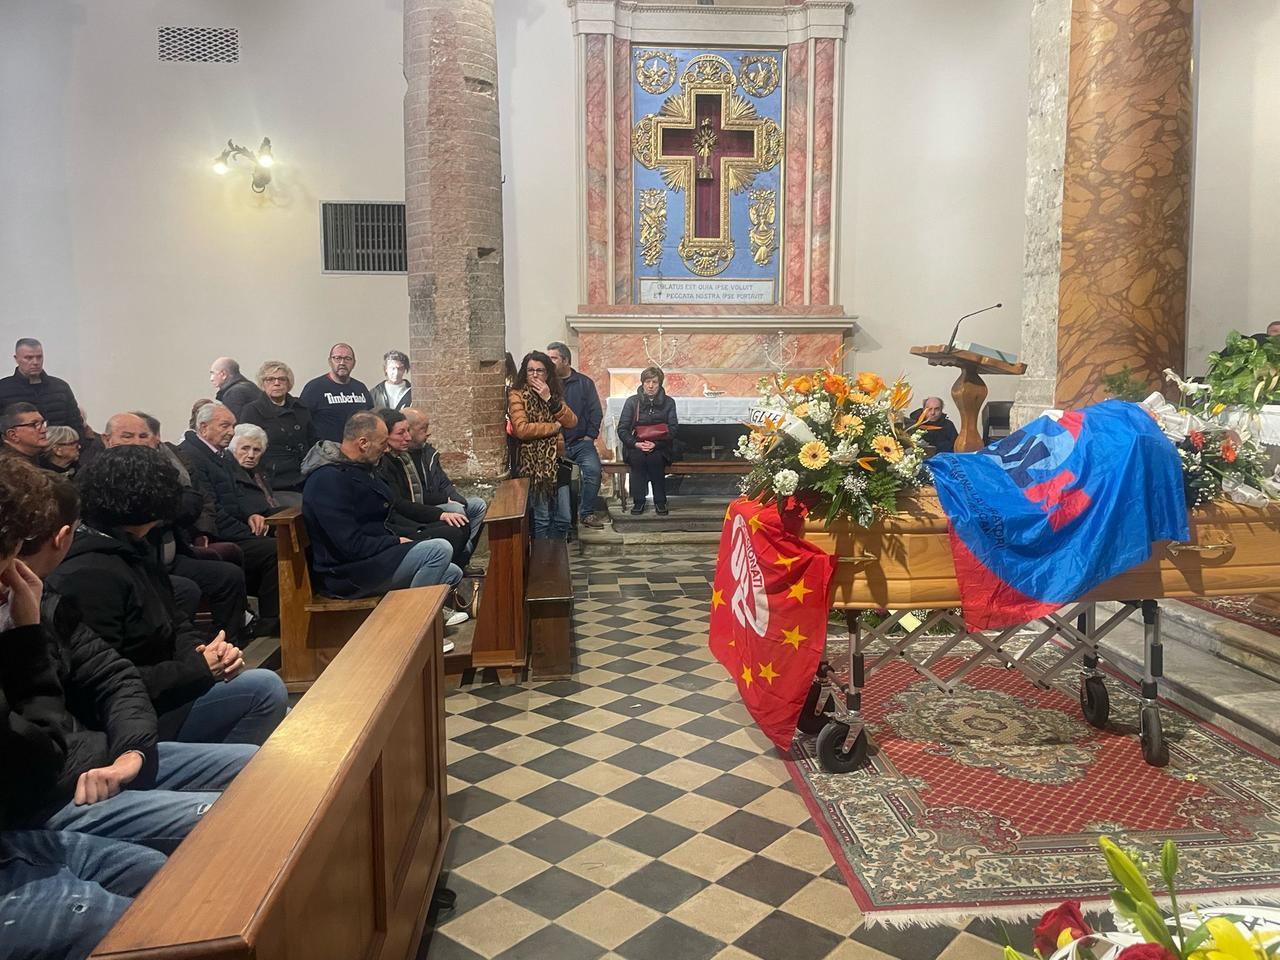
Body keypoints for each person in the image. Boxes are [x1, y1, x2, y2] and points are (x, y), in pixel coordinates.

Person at [16, 476, 258, 852]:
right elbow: (37, 750)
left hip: (108, 748)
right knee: (236, 817)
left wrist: (133, 751)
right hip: (52, 794)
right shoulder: (84, 577)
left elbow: (115, 676)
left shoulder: (49, 593)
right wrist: (195, 671)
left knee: (265, 769)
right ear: (63, 536)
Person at [0, 456, 168, 960]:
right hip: (41, 798)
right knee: (150, 924)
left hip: (71, 766)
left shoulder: (38, 596)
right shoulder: (50, 594)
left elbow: (114, 674)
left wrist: (133, 752)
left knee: (161, 878)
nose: (12, 572)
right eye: (6, 558)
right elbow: (34, 762)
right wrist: (26, 640)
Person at [48, 446, 287, 746]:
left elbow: (175, 623)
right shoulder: (89, 575)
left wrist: (203, 654)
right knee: (264, 690)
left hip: (167, 692)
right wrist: (195, 670)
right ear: (154, 503)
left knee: (280, 709)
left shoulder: (133, 548)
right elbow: (103, 683)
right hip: (130, 722)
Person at [301, 413, 462, 623]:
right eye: (383, 443)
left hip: (373, 557)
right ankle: (415, 630)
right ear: (363, 443)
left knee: (452, 573)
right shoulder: (327, 480)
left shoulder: (359, 468)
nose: (386, 449)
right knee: (438, 550)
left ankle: (425, 620)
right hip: (348, 572)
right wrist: (394, 542)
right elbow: (349, 545)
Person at [105, 412, 250, 643]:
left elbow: (192, 500)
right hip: (140, 565)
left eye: (143, 435)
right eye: (127, 436)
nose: (137, 441)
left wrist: (160, 513)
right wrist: (164, 511)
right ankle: (183, 652)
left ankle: (230, 646)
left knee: (228, 576)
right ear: (107, 440)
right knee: (186, 590)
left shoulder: (163, 464)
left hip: (174, 555)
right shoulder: (105, 476)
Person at [177, 403, 280, 636]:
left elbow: (236, 496)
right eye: (225, 425)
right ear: (203, 428)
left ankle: (272, 618)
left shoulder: (220, 455)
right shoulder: (192, 456)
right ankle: (270, 622)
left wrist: (250, 515)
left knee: (282, 538)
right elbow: (209, 508)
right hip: (216, 533)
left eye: (232, 425)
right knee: (275, 550)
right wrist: (245, 531)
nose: (231, 431)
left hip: (234, 526)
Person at [375, 409, 470, 561]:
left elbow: (420, 491)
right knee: (454, 525)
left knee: (460, 519)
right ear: (384, 436)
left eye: (408, 431)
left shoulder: (402, 457)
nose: (408, 437)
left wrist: (447, 500)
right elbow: (399, 505)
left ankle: (453, 569)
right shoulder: (383, 464)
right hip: (396, 526)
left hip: (409, 516)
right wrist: (438, 514)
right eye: (401, 433)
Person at [403, 407, 488, 568]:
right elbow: (413, 495)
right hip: (423, 508)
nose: (428, 433)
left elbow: (444, 482)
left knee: (477, 505)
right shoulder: (402, 457)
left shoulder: (428, 452)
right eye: (423, 429)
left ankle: (463, 554)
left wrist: (457, 498)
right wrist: (445, 500)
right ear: (409, 430)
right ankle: (457, 558)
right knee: (456, 511)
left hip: (439, 502)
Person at [508, 351, 577, 539]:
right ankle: (543, 564)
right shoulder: (517, 394)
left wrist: (549, 400)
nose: (535, 375)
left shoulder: (553, 393)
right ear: (525, 372)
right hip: (533, 465)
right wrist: (553, 427)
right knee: (542, 519)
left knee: (564, 519)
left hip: (556, 462)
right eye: (531, 370)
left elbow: (571, 421)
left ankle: (556, 560)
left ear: (547, 374)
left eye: (540, 370)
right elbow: (522, 429)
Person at [546, 342, 604, 529]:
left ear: (566, 360)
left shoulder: (584, 383)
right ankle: (559, 519)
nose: (549, 362)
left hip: (580, 443)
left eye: (553, 358)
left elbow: (596, 411)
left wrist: (590, 436)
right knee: (554, 480)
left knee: (593, 471)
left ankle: (586, 513)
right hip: (553, 443)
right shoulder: (547, 384)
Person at [240, 360, 314, 493]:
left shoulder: (300, 407)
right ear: (262, 384)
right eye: (270, 379)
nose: (276, 383)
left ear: (289, 383)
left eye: (282, 379)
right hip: (275, 481)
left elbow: (312, 439)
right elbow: (247, 448)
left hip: (306, 475)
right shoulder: (252, 411)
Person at [617, 366, 678, 515]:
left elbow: (673, 429)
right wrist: (635, 444)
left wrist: (656, 444)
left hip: (660, 445)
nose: (650, 386)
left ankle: (660, 501)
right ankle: (639, 501)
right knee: (638, 459)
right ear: (642, 383)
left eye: (655, 382)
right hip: (636, 444)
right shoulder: (632, 402)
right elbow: (622, 429)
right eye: (647, 382)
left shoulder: (669, 402)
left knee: (655, 459)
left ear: (660, 384)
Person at [0, 338, 85, 436]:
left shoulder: (60, 387)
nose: (35, 362)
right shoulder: (3, 389)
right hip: (19, 449)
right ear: (16, 359)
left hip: (58, 447)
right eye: (28, 358)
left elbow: (76, 425)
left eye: (39, 357)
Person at [299, 342, 373, 443]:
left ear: (354, 363)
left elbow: (371, 419)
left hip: (358, 453)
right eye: (337, 358)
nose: (342, 362)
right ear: (330, 361)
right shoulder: (314, 388)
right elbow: (302, 423)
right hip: (326, 454)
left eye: (347, 359)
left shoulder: (361, 388)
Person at [230, 423, 299, 512]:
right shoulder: (227, 473)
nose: (251, 455)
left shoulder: (262, 473)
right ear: (233, 449)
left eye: (256, 450)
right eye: (245, 448)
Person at [1, 401, 51, 465]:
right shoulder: (13, 470)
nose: (44, 430)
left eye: (43, 423)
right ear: (13, 435)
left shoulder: (42, 458)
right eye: (34, 425)